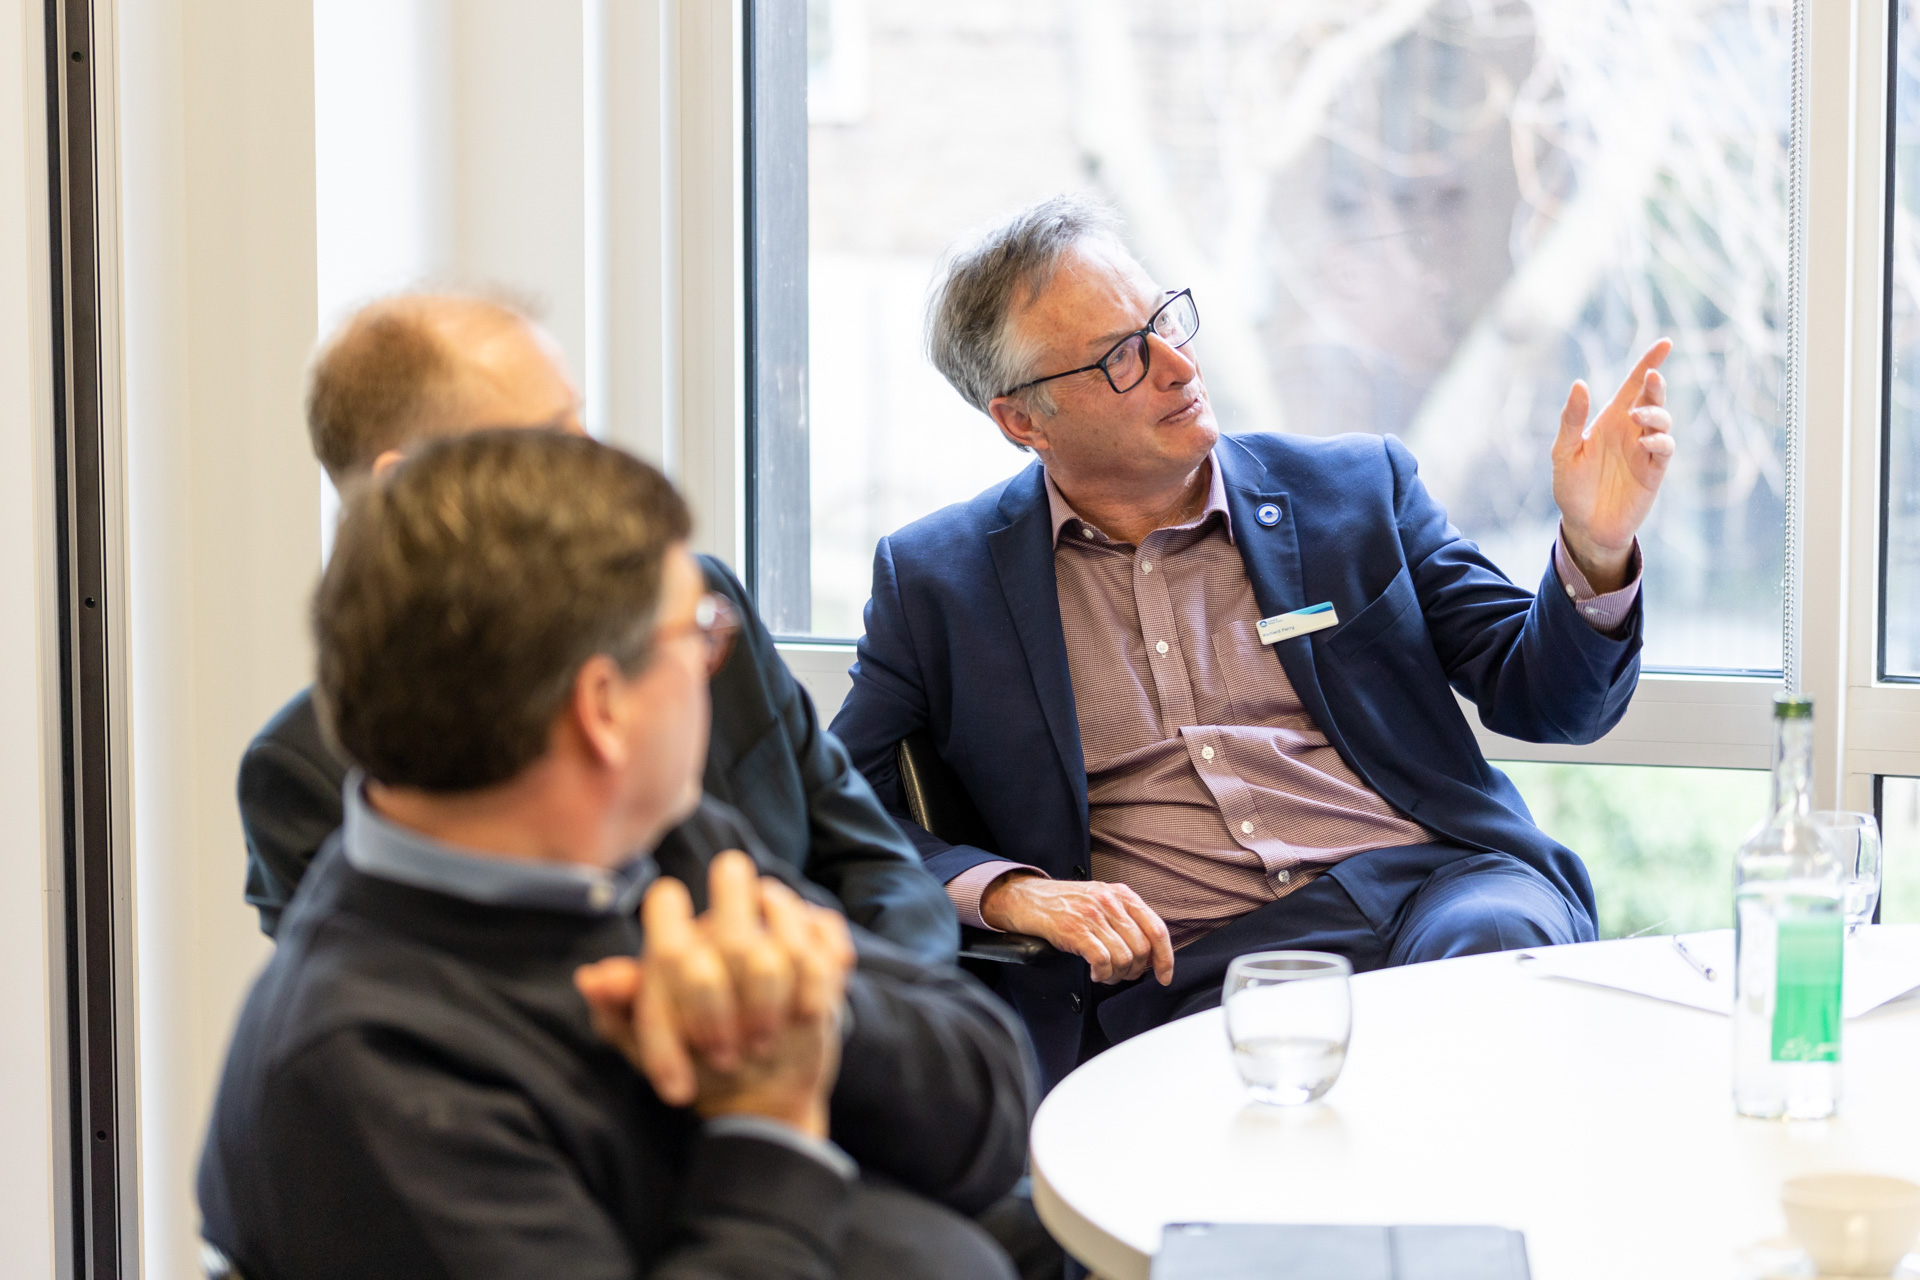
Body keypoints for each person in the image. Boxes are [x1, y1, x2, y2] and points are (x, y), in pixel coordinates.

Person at [828, 195, 1677, 1089]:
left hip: (1435, 893)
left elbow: (1547, 700)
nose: (1174, 363)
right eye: (1122, 356)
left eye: (1164, 321)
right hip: (1194, 970)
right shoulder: (937, 580)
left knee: (1487, 961)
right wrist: (1011, 893)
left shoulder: (1353, 490)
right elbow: (839, 808)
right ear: (1023, 421)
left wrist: (1595, 545)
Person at [199, 431, 1037, 1279]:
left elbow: (992, 1109)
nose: (718, 664)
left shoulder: (661, 839)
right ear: (604, 708)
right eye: (702, 634)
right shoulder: (366, 1074)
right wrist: (768, 1125)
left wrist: (816, 1011)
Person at [238, 293, 957, 964]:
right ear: (411, 485)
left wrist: (873, 1030)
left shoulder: (700, 603)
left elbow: (880, 869)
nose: (596, 454)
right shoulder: (306, 772)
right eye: (551, 437)